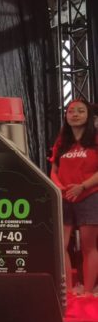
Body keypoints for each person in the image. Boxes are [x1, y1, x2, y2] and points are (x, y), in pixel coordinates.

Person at [50, 99, 98, 297]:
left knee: (88, 246)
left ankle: (87, 291)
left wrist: (82, 186)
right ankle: (68, 291)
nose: (75, 114)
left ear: (88, 116)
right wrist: (59, 187)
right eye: (71, 111)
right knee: (61, 246)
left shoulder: (95, 139)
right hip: (64, 197)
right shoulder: (62, 142)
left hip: (89, 195)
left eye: (80, 111)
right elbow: (54, 170)